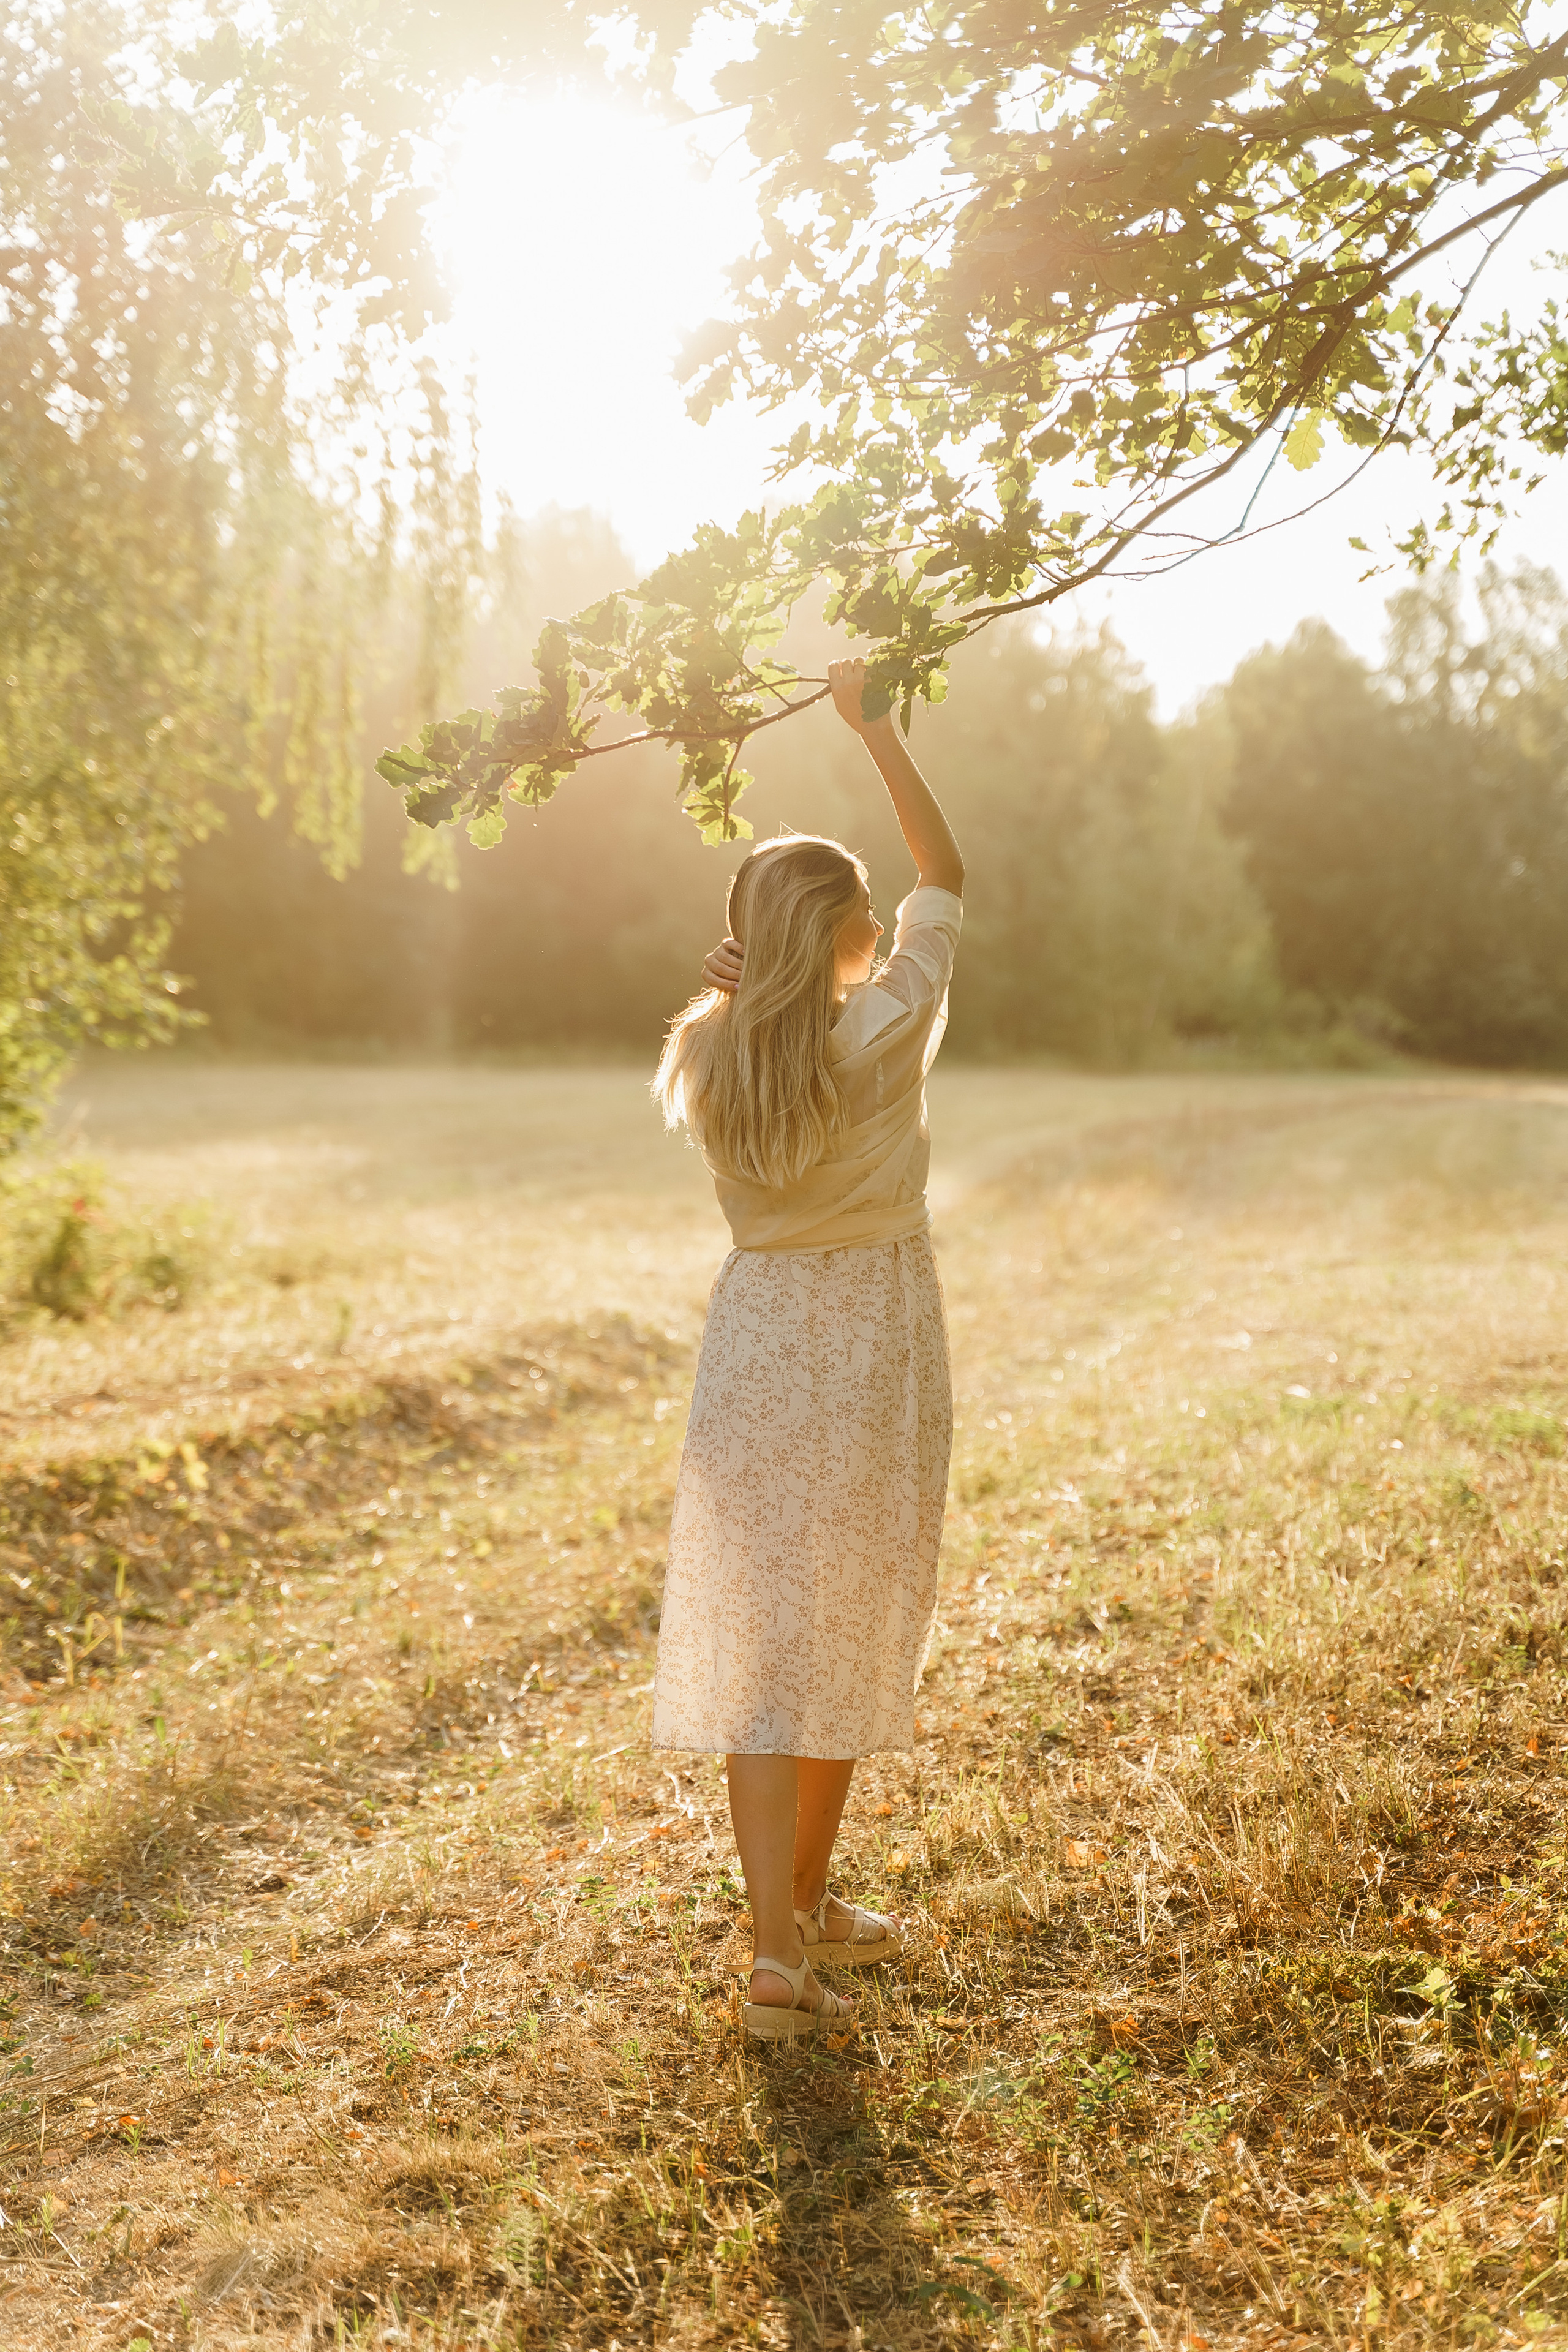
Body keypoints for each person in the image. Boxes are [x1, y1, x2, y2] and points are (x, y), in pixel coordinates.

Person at [650, 655, 965, 2043]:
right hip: (873, 1338)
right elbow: (941, 879)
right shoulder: (886, 1029)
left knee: (762, 1652)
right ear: (842, 927)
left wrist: (733, 983)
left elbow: (749, 1001)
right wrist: (875, 730)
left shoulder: (706, 1051)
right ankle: (800, 1908)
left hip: (758, 1342)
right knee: (840, 1624)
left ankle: (783, 1940)